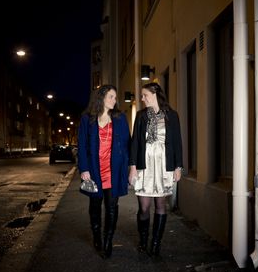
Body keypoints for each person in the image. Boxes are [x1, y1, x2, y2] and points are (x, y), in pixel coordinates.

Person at [129, 82, 183, 256]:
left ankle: (156, 243)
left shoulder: (172, 116)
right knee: (144, 207)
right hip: (144, 166)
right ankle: (144, 240)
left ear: (154, 94)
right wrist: (133, 167)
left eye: (145, 95)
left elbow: (177, 143)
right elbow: (135, 142)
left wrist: (178, 166)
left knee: (161, 205)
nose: (142, 98)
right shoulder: (141, 116)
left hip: (163, 165)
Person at [78, 84, 130, 259]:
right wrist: (84, 168)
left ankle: (108, 241)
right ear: (101, 98)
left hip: (114, 170)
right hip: (94, 169)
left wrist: (130, 167)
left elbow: (127, 144)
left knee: (112, 207)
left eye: (115, 98)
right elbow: (82, 146)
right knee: (95, 206)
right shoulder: (87, 119)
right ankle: (97, 236)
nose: (115, 101)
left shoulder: (120, 118)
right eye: (111, 97)